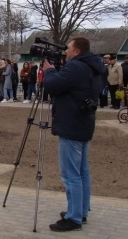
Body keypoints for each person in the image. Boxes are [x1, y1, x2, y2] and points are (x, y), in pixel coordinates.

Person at [43, 37, 104, 232]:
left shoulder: (76, 67)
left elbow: (52, 86)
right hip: (84, 123)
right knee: (82, 172)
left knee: (71, 174)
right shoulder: (93, 67)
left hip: (71, 125)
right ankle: (81, 210)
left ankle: (74, 218)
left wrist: (49, 70)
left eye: (68, 48)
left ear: (77, 51)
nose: (65, 52)